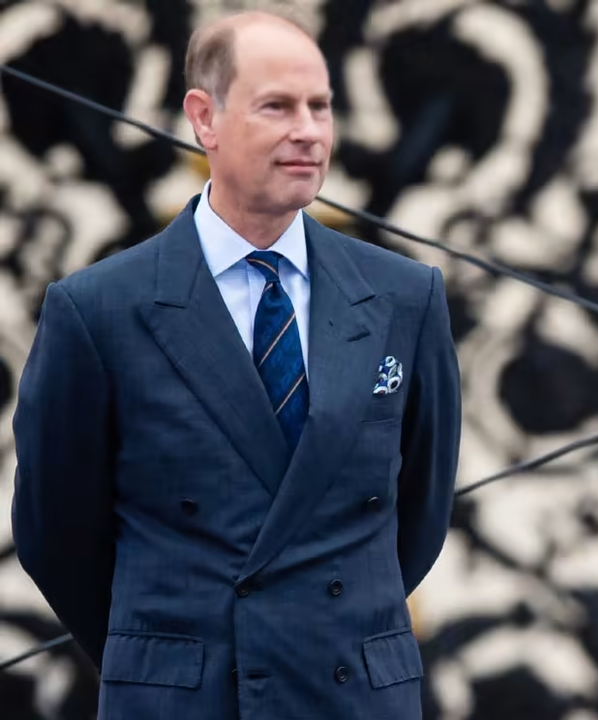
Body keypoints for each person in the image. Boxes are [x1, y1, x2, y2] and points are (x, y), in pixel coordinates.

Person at [10, 9, 461, 719]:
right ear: (204, 118)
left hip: (350, 695)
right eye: (277, 107)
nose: (308, 130)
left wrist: (317, 629)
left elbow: (423, 509)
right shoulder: (97, 311)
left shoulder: (407, 297)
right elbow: (53, 530)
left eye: (321, 106)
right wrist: (166, 652)